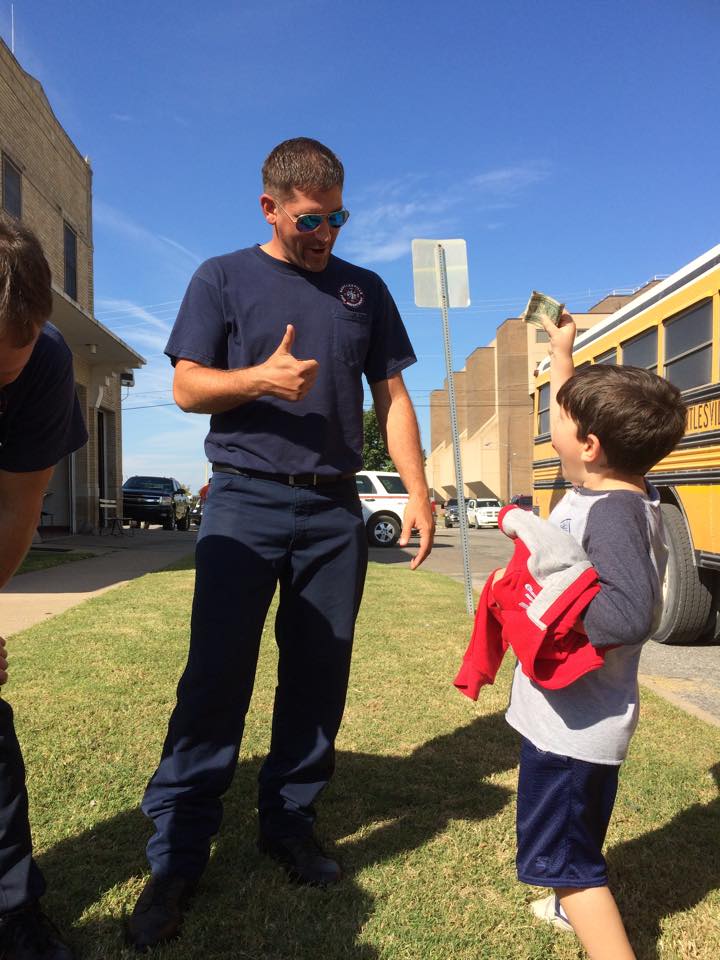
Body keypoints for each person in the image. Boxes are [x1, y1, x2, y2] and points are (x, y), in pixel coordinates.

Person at [128, 138, 434, 951]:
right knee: (216, 676)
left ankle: (288, 822)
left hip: (335, 511)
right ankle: (179, 851)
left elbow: (393, 394)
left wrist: (416, 488)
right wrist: (258, 379)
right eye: (310, 218)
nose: (325, 231)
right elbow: (187, 384)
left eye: (337, 216)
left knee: (317, 677)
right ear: (270, 207)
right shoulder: (222, 278)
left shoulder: (361, 290)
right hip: (245, 500)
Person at [501, 311, 686, 960]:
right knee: (576, 834)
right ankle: (562, 901)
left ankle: (582, 912)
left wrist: (546, 611)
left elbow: (629, 612)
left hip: (571, 734)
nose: (557, 429)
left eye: (569, 424)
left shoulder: (611, 513)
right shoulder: (610, 487)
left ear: (592, 446)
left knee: (567, 861)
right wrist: (560, 351)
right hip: (576, 725)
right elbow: (568, 420)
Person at [0, 212, 87, 959]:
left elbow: (16, 508)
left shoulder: (48, 363)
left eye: (17, 346)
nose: (7, 368)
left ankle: (12, 910)